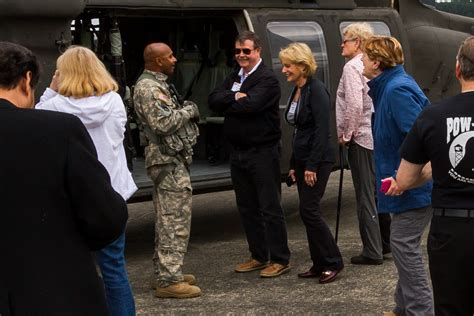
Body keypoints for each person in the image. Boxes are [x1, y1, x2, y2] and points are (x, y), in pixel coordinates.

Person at [0, 41, 128, 315]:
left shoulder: (55, 108)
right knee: (115, 271)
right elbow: (107, 218)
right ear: (27, 79)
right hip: (50, 291)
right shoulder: (59, 129)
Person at [35, 46, 138, 316]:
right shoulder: (114, 100)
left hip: (73, 199)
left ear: (62, 73)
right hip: (110, 195)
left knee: (74, 269)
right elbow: (118, 137)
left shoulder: (54, 106)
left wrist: (52, 89)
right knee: (115, 268)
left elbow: (36, 118)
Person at [387, 36, 474, 316]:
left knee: (451, 307)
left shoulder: (432, 116)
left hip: (452, 231)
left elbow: (407, 178)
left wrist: (434, 168)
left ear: (458, 69)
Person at [208, 31, 291, 278]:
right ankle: (258, 255)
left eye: (246, 51)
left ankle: (279, 259)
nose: (241, 55)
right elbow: (213, 99)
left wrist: (231, 103)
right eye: (237, 51)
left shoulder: (267, 79)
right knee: (247, 207)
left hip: (263, 152)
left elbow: (252, 106)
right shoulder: (235, 77)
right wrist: (234, 95)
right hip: (239, 153)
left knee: (270, 207)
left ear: (258, 52)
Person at [362, 36, 433, 316]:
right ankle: (402, 308)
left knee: (404, 245)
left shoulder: (396, 90)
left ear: (377, 62)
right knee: (405, 245)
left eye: (365, 58)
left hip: (410, 187)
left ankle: (420, 311)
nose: (362, 63)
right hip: (403, 184)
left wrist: (405, 179)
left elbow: (422, 139)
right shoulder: (389, 86)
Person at [133, 42, 201, 298]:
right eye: (170, 56)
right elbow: (162, 123)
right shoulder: (149, 87)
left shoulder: (157, 84)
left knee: (169, 218)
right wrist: (189, 111)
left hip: (170, 159)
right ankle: (169, 281)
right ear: (158, 61)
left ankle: (166, 272)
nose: (175, 59)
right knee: (174, 220)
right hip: (167, 161)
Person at [280, 42, 344, 283]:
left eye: (288, 65)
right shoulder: (298, 89)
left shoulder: (316, 89)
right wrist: (294, 164)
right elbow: (298, 131)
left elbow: (321, 130)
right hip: (303, 158)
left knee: (310, 210)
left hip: (318, 159)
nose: (284, 70)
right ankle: (319, 262)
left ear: (302, 66)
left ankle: (333, 261)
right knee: (308, 213)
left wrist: (312, 166)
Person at [336, 23, 386, 265]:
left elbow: (355, 104)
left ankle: (372, 250)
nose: (341, 44)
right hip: (376, 134)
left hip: (362, 138)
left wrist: (346, 135)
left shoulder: (351, 67)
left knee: (365, 195)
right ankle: (385, 244)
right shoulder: (373, 64)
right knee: (379, 193)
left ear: (358, 42)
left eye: (345, 40)